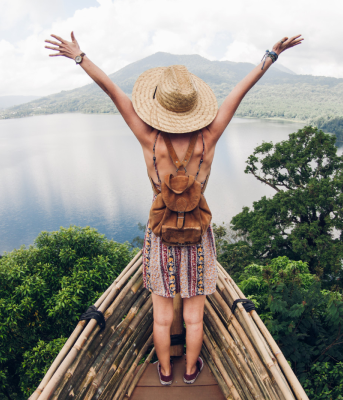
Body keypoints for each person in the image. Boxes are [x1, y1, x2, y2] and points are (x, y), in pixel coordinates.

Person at [44, 32, 302, 385]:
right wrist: (270, 56)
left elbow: (113, 92)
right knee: (194, 318)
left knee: (162, 318)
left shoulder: (150, 140)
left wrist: (80, 57)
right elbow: (238, 94)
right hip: (198, 238)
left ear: (160, 107)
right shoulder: (208, 138)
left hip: (161, 237)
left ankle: (165, 372)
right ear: (193, 107)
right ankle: (192, 371)